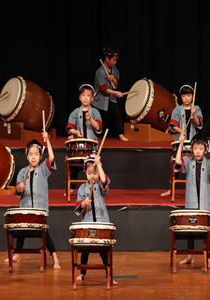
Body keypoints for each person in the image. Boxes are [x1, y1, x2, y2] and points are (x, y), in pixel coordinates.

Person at [5, 134, 61, 269]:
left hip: (40, 212)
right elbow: (17, 191)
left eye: (36, 154)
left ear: (41, 156)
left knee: (45, 233)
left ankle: (55, 258)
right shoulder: (22, 172)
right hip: (26, 209)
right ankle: (17, 254)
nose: (34, 157)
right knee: (21, 229)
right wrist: (20, 187)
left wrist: (48, 141)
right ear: (27, 156)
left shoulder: (43, 170)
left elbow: (52, 158)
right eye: (31, 154)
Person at [174, 133, 210, 268]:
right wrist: (181, 145)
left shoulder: (208, 163)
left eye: (201, 149)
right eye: (195, 148)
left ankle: (209, 259)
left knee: (206, 232)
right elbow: (178, 162)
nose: (198, 151)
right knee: (190, 230)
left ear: (205, 150)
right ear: (192, 149)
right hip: (191, 203)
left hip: (204, 204)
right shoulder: (189, 162)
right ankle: (190, 256)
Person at [74, 154, 117, 284]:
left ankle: (109, 275)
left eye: (94, 173)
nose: (92, 176)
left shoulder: (100, 185)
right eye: (89, 173)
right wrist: (84, 203)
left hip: (101, 222)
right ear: (85, 173)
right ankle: (82, 272)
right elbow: (78, 206)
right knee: (85, 250)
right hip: (87, 223)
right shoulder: (82, 188)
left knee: (104, 250)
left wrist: (98, 164)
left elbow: (105, 181)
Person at [161, 83, 204, 197]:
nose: (186, 98)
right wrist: (181, 131)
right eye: (184, 96)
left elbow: (199, 124)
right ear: (181, 97)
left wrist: (194, 114)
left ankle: (197, 189)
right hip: (180, 143)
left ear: (192, 97)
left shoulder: (197, 108)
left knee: (196, 165)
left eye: (188, 95)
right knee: (176, 163)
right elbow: (173, 125)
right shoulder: (177, 110)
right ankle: (172, 189)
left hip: (193, 144)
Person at [65, 84, 102, 196]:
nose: (85, 97)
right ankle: (72, 188)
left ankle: (96, 187)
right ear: (79, 97)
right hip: (78, 146)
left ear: (92, 98)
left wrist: (90, 118)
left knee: (94, 166)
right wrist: (76, 132)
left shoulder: (95, 112)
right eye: (83, 95)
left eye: (88, 95)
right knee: (74, 167)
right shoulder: (75, 112)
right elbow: (70, 128)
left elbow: (98, 128)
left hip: (92, 146)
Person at [92, 45, 128, 142]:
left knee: (117, 114)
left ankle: (121, 135)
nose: (115, 62)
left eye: (116, 60)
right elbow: (104, 90)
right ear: (107, 58)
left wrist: (113, 78)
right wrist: (116, 93)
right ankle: (95, 137)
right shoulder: (100, 72)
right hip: (99, 99)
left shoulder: (115, 69)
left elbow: (116, 85)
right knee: (99, 118)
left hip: (111, 98)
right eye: (114, 60)